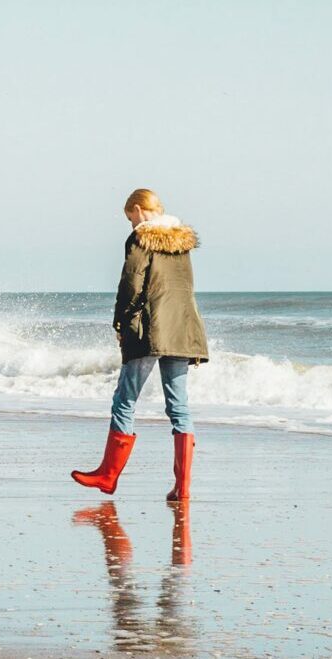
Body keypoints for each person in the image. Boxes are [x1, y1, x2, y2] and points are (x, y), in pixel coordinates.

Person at [71, 189, 209, 500]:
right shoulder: (181, 242)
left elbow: (132, 283)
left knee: (125, 398)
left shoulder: (141, 238)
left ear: (138, 209)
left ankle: (108, 475)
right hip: (183, 328)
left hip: (150, 329)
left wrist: (121, 322)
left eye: (130, 217)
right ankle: (182, 488)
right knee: (179, 407)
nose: (130, 224)